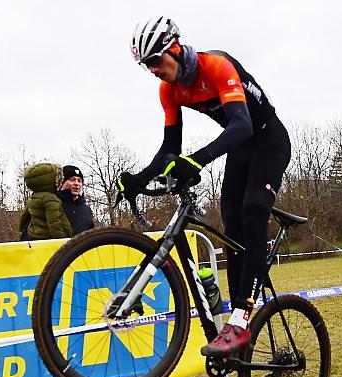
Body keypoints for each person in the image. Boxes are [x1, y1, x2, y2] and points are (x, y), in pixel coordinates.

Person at [118, 17, 290, 357]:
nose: (153, 70)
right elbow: (170, 147)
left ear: (175, 49)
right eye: (146, 65)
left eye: (155, 61)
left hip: (268, 140)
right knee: (233, 231)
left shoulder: (216, 66)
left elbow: (241, 124)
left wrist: (197, 160)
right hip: (240, 151)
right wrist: (139, 178)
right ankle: (235, 325)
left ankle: (241, 316)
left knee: (253, 216)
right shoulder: (169, 90)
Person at [18, 163, 73, 240]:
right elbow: (54, 223)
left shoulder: (33, 197)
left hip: (34, 236)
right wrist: (62, 239)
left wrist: (21, 232)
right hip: (49, 239)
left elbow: (24, 217)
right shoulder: (51, 199)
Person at [58, 165, 95, 235]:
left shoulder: (86, 210)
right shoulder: (52, 204)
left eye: (79, 181)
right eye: (72, 180)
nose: (76, 184)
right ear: (62, 183)